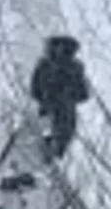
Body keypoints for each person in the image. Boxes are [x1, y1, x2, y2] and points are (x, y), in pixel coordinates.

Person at [30, 34, 89, 163]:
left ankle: (51, 158)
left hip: (52, 110)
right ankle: (53, 158)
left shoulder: (45, 65)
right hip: (61, 111)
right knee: (58, 138)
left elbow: (34, 91)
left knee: (51, 137)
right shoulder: (74, 67)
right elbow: (83, 94)